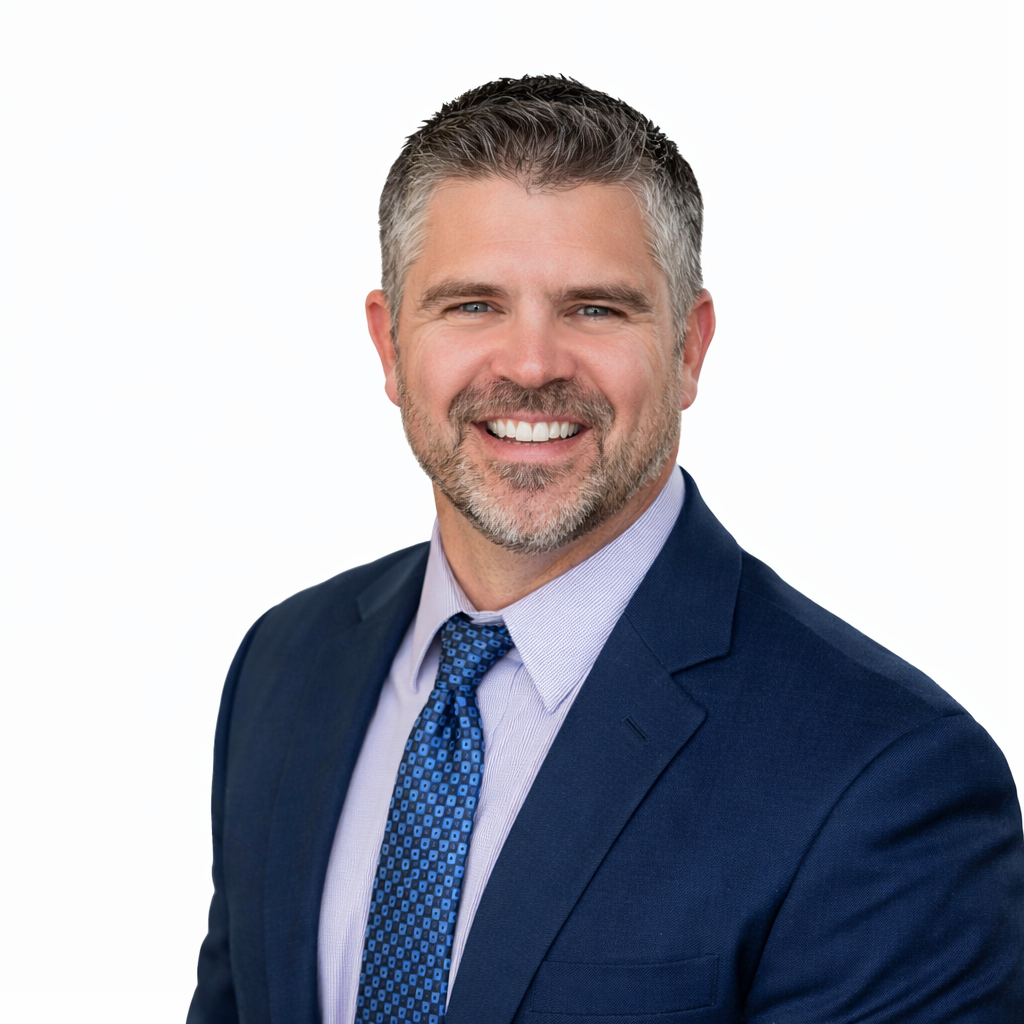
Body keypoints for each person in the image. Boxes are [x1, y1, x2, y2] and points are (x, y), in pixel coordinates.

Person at [187, 76, 1023, 1024]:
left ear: (688, 349)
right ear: (388, 344)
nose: (532, 363)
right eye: (471, 305)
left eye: (596, 309)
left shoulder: (885, 779)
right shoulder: (286, 666)